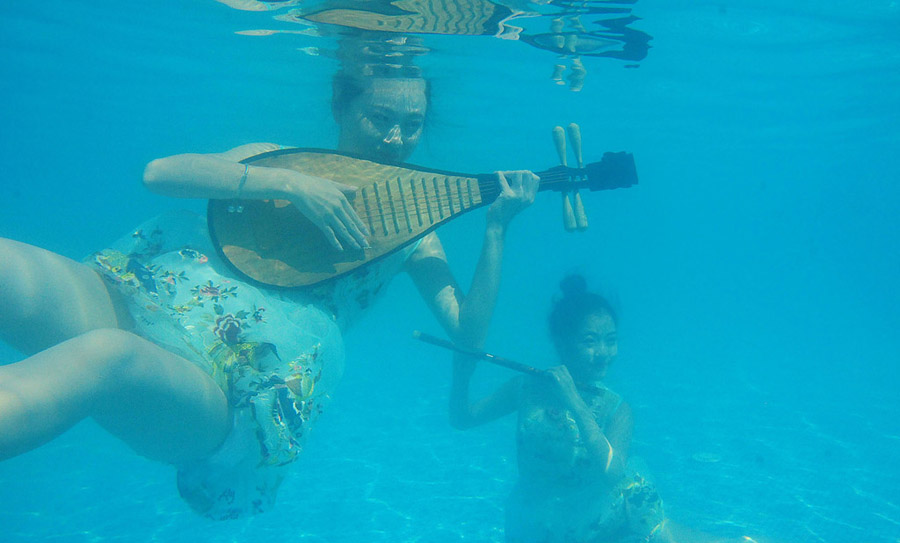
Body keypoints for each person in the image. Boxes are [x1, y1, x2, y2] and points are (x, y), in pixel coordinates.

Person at [0, 64, 539, 520]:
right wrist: (288, 184)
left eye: (412, 125)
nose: (395, 139)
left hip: (225, 388)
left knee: (107, 358)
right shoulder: (277, 158)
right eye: (380, 118)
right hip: (146, 297)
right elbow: (160, 174)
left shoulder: (417, 237)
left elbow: (469, 334)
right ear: (340, 109)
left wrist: (497, 231)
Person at [449, 275, 893, 543]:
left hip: (618, 520)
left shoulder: (616, 407)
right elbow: (464, 418)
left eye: (611, 340)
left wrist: (576, 404)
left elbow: (612, 474)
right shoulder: (527, 387)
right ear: (562, 344)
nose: (604, 352)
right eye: (590, 341)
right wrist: (461, 370)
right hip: (550, 539)